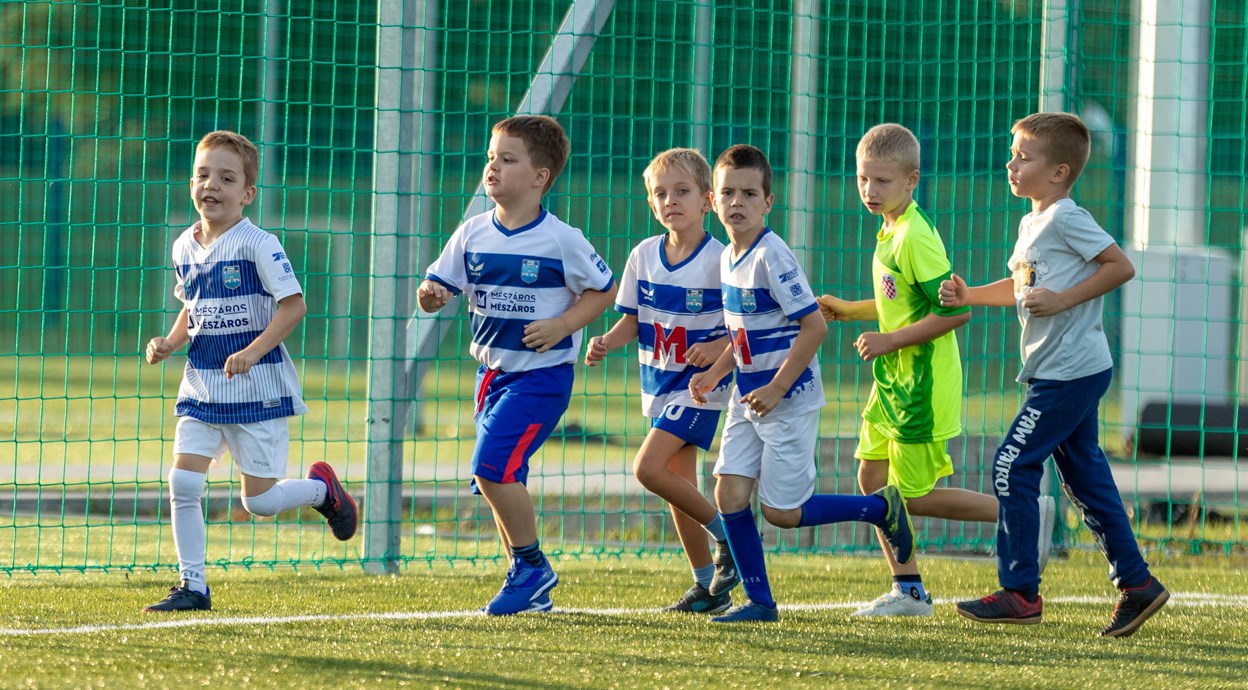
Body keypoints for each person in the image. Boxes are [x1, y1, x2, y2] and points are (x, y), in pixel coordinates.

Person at [941, 112, 1167, 637]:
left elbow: (1120, 266)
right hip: (1061, 372)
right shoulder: (1032, 222)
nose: (1011, 164)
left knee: (1010, 464)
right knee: (1085, 480)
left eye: (1024, 156)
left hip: (1070, 373)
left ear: (1060, 172)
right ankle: (1137, 584)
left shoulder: (1067, 217)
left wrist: (1063, 299)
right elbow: (1022, 286)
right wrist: (971, 294)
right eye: (1013, 154)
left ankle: (1019, 591)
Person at [818, 123, 1056, 617]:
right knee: (871, 478)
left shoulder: (915, 237)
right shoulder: (889, 226)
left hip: (920, 387)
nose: (869, 191)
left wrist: (888, 340)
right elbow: (899, 304)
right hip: (892, 382)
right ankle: (908, 591)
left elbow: (956, 312)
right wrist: (850, 309)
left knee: (915, 496)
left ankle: (1025, 513)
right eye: (863, 179)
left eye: (882, 182)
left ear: (912, 180)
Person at [689, 144, 915, 623]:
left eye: (750, 193)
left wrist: (775, 388)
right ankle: (761, 604)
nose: (738, 202)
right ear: (713, 200)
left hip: (787, 400)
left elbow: (815, 326)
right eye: (728, 192)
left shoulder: (773, 255)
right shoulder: (728, 256)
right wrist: (715, 372)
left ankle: (879, 510)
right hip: (748, 398)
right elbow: (743, 334)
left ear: (768, 202)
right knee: (728, 493)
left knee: (782, 513)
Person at [143, 130, 357, 612]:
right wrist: (170, 342)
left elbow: (294, 306)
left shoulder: (258, 244)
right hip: (201, 383)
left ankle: (324, 491)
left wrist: (254, 352)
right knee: (183, 482)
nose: (211, 185)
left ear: (247, 193)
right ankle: (193, 586)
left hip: (255, 388)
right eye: (202, 175)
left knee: (257, 503)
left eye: (226, 177)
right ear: (190, 183)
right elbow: (192, 306)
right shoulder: (184, 245)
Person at [418, 115, 616, 616]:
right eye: (491, 157)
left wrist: (564, 324)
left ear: (539, 177)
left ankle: (531, 567)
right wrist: (432, 295)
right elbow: (440, 287)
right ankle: (529, 588)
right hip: (490, 377)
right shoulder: (472, 233)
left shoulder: (561, 239)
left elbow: (603, 290)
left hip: (541, 378)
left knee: (491, 469)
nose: (493, 168)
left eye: (507, 160)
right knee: (502, 476)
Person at [585, 148, 739, 614]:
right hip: (657, 386)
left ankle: (728, 538)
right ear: (651, 203)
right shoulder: (643, 255)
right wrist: (608, 341)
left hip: (699, 388)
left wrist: (716, 352)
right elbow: (633, 319)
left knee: (646, 469)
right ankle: (707, 586)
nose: (670, 200)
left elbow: (744, 327)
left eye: (682, 191)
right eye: (660, 193)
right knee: (678, 488)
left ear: (707, 200)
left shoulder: (722, 259)